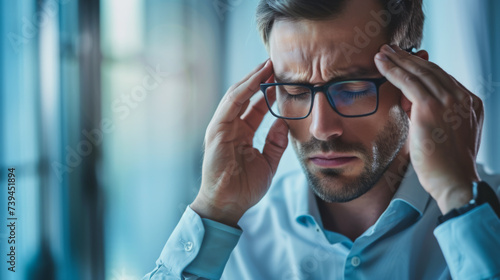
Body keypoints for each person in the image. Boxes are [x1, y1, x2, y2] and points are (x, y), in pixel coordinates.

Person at [144, 0, 500, 279]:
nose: (320, 127)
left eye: (352, 88)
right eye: (294, 90)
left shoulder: (487, 217)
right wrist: (214, 210)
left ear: (416, 80)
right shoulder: (230, 235)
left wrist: (460, 201)